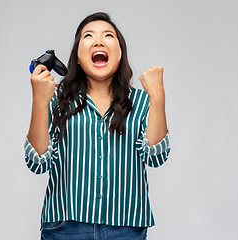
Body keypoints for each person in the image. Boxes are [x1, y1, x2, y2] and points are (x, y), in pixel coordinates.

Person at [24, 12, 171, 240]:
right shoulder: (58, 98)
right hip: (65, 227)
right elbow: (37, 162)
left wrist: (158, 95)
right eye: (89, 36)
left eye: (108, 35)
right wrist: (40, 101)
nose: (99, 41)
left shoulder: (142, 101)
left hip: (126, 228)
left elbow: (156, 157)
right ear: (78, 58)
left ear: (120, 54)